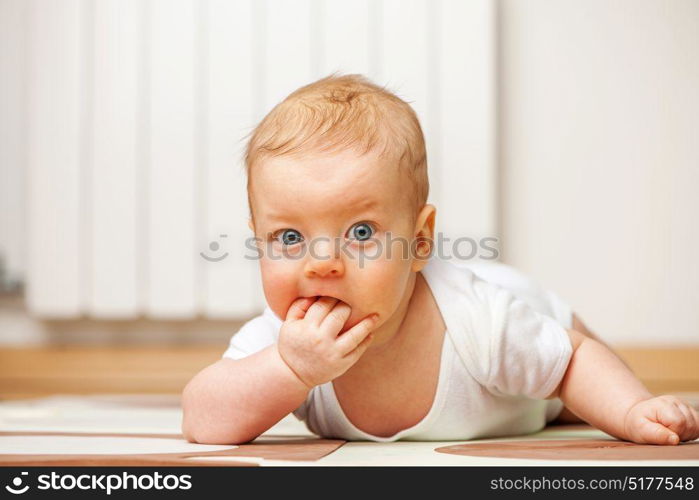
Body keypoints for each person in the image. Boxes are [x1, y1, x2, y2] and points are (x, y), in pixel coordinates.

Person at [181, 74, 698, 445]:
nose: (322, 263)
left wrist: (632, 411)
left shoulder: (480, 321)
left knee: (574, 388)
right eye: (289, 238)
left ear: (420, 241)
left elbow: (573, 361)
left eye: (360, 232)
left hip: (526, 307)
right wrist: (288, 369)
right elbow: (202, 421)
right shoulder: (280, 340)